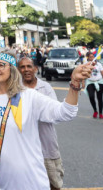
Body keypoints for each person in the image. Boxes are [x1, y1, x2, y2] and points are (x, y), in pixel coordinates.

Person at [0, 49, 90, 190]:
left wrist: (74, 84)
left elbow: (66, 112)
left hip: (29, 182)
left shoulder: (29, 97)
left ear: (12, 68)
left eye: (1, 64)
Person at [18, 56, 65, 190]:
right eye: (22, 67)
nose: (26, 70)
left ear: (35, 69)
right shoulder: (15, 90)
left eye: (29, 66)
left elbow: (54, 113)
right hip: (24, 149)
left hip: (47, 147)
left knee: (54, 184)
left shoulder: (45, 87)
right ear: (18, 70)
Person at [84, 51, 103, 119]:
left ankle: (101, 113)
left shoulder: (99, 64)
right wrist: (83, 83)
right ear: (88, 58)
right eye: (90, 57)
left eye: (93, 56)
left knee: (100, 98)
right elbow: (84, 73)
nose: (92, 58)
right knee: (91, 96)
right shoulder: (85, 64)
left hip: (99, 82)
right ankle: (95, 110)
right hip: (90, 82)